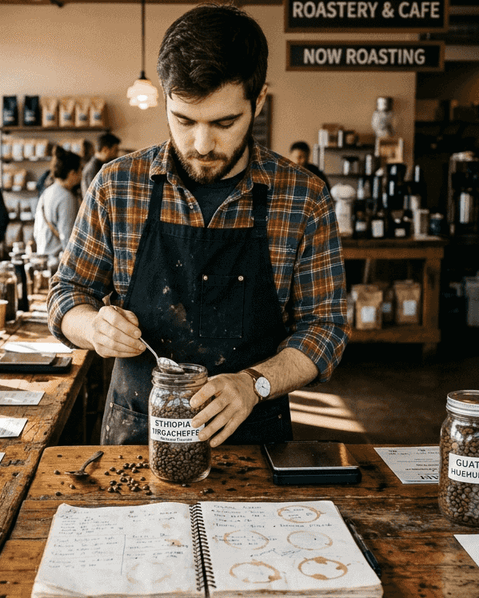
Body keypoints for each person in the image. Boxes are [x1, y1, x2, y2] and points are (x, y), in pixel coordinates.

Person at [48, 5, 349, 447]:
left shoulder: (303, 198)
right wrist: (92, 327)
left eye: (225, 123)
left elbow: (327, 328)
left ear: (258, 100)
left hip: (253, 440)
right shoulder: (117, 185)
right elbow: (66, 295)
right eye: (184, 121)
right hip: (136, 434)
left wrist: (254, 384)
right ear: (167, 98)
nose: (202, 145)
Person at [34, 145, 82, 269]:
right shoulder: (66, 197)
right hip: (59, 263)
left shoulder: (47, 192)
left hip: (43, 257)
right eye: (80, 170)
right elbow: (68, 237)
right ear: (72, 173)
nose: (82, 174)